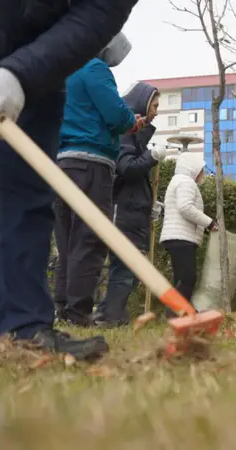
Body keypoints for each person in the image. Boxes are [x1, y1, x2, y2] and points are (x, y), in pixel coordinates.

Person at [0, 0, 138, 360]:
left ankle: (23, 326)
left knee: (29, 193)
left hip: (35, 45)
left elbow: (98, 15)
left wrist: (22, 73)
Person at [53, 34, 145, 327]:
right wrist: (132, 121)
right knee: (89, 238)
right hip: (91, 164)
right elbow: (115, 115)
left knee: (66, 238)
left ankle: (63, 307)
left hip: (63, 162)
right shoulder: (94, 68)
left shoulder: (65, 71)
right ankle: (79, 311)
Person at [93, 82, 166, 327]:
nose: (157, 111)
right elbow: (126, 168)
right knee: (124, 268)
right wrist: (151, 157)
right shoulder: (125, 132)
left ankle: (112, 313)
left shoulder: (135, 136)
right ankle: (108, 315)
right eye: (154, 106)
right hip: (124, 213)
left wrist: (151, 205)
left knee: (128, 271)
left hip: (132, 211)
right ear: (143, 105)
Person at [160, 152, 218, 311]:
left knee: (182, 278)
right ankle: (175, 314)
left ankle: (182, 313)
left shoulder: (178, 181)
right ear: (192, 168)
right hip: (181, 238)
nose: (203, 173)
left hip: (177, 236)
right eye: (201, 170)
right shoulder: (186, 182)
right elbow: (185, 208)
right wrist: (209, 223)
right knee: (187, 278)